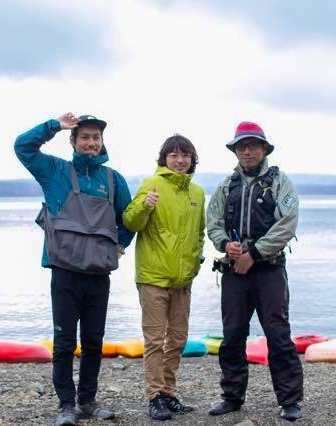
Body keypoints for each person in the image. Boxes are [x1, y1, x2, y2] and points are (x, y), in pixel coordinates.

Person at [14, 113, 134, 426]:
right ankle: (66, 405)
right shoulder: (55, 171)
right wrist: (54, 125)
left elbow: (129, 219)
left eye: (96, 138)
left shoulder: (113, 179)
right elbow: (22, 147)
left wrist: (117, 247)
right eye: (85, 137)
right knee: (65, 341)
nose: (91, 143)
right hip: (64, 271)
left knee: (94, 341)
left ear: (102, 142)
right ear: (74, 141)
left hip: (98, 274)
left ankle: (88, 401)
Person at [206, 121, 304, 421]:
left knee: (278, 334)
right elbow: (213, 222)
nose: (247, 151)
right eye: (242, 147)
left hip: (269, 270)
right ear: (236, 151)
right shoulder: (226, 186)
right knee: (232, 335)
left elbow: (287, 222)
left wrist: (255, 253)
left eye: (253, 146)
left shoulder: (279, 181)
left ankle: (289, 400)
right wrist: (226, 246)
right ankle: (232, 396)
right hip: (234, 270)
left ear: (264, 149)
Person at [123, 135, 205, 421]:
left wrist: (194, 263)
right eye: (174, 155)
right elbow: (130, 221)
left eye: (185, 155)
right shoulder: (151, 184)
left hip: (183, 280)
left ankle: (169, 394)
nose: (180, 160)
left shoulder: (197, 193)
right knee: (155, 340)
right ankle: (154, 396)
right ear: (164, 159)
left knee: (178, 339)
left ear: (192, 159)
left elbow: (199, 234)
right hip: (153, 277)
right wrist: (145, 204)